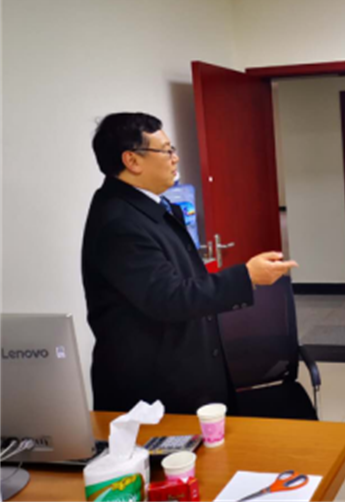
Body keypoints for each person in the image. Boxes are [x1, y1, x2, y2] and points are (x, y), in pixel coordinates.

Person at [82, 113, 297, 415]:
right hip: (153, 391)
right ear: (132, 161)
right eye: (166, 150)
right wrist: (246, 276)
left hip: (181, 370)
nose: (176, 158)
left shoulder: (148, 207)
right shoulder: (119, 222)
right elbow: (169, 297)